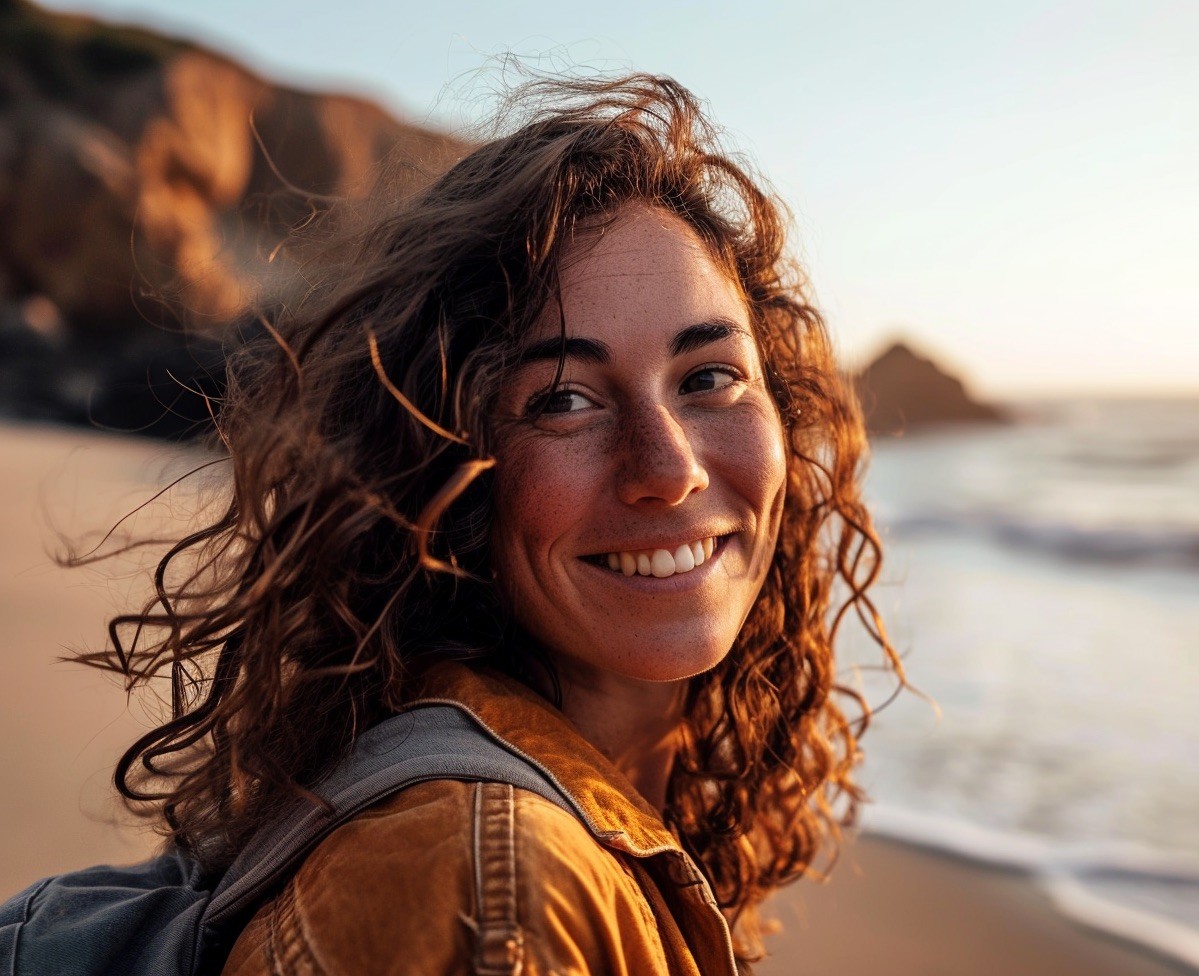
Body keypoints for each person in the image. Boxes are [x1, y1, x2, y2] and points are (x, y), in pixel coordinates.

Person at [85, 73, 902, 975]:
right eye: (562, 399)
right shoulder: (491, 884)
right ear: (444, 462)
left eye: (708, 377)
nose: (670, 468)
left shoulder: (529, 813)